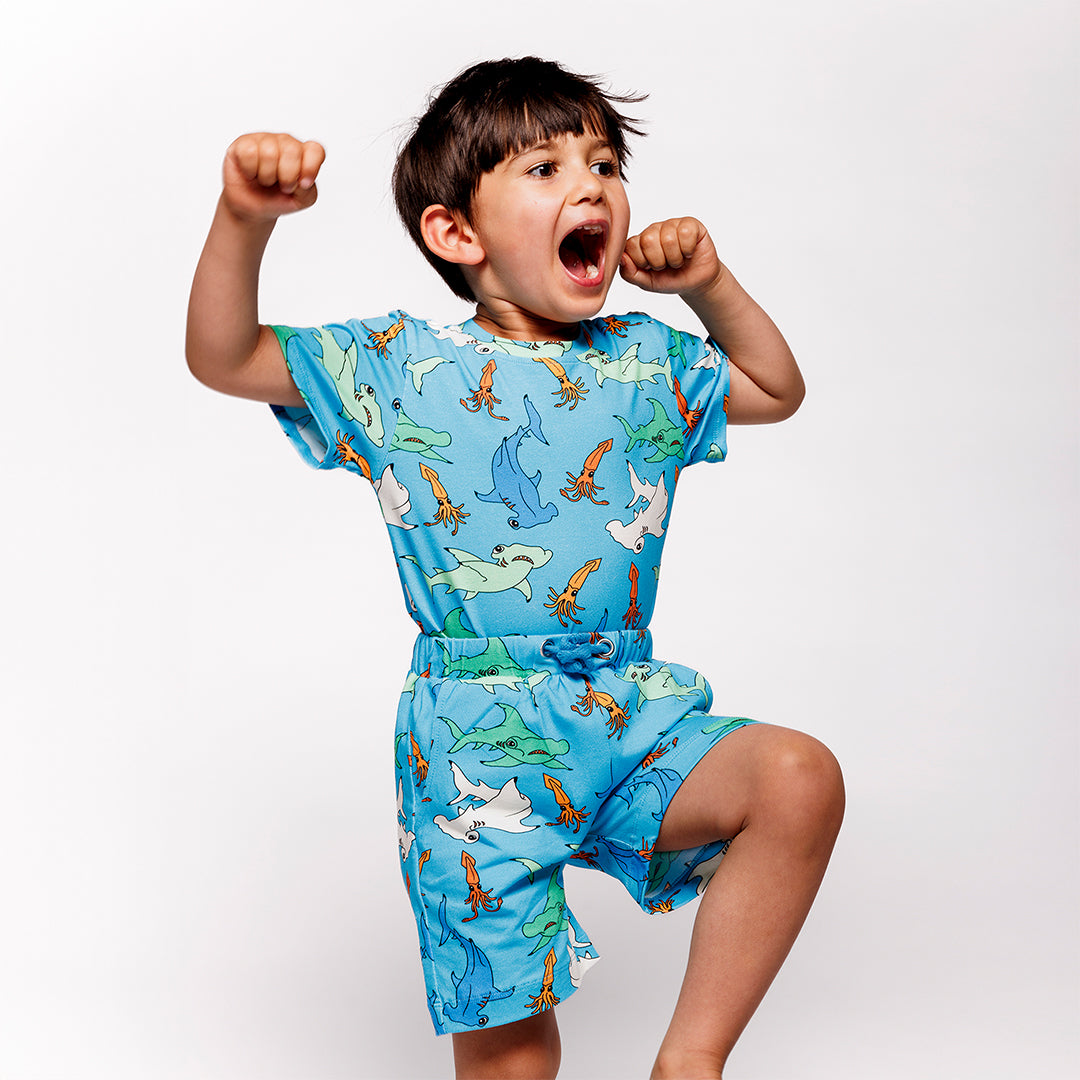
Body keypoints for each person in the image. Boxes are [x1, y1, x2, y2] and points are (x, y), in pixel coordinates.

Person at [186, 56, 844, 1080]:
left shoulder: (649, 358)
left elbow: (775, 386)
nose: (591, 186)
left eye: (604, 164)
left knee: (797, 779)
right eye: (545, 168)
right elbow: (225, 357)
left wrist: (708, 286)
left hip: (626, 713)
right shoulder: (397, 369)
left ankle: (691, 1064)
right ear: (457, 234)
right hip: (472, 744)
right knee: (515, 1058)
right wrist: (244, 220)